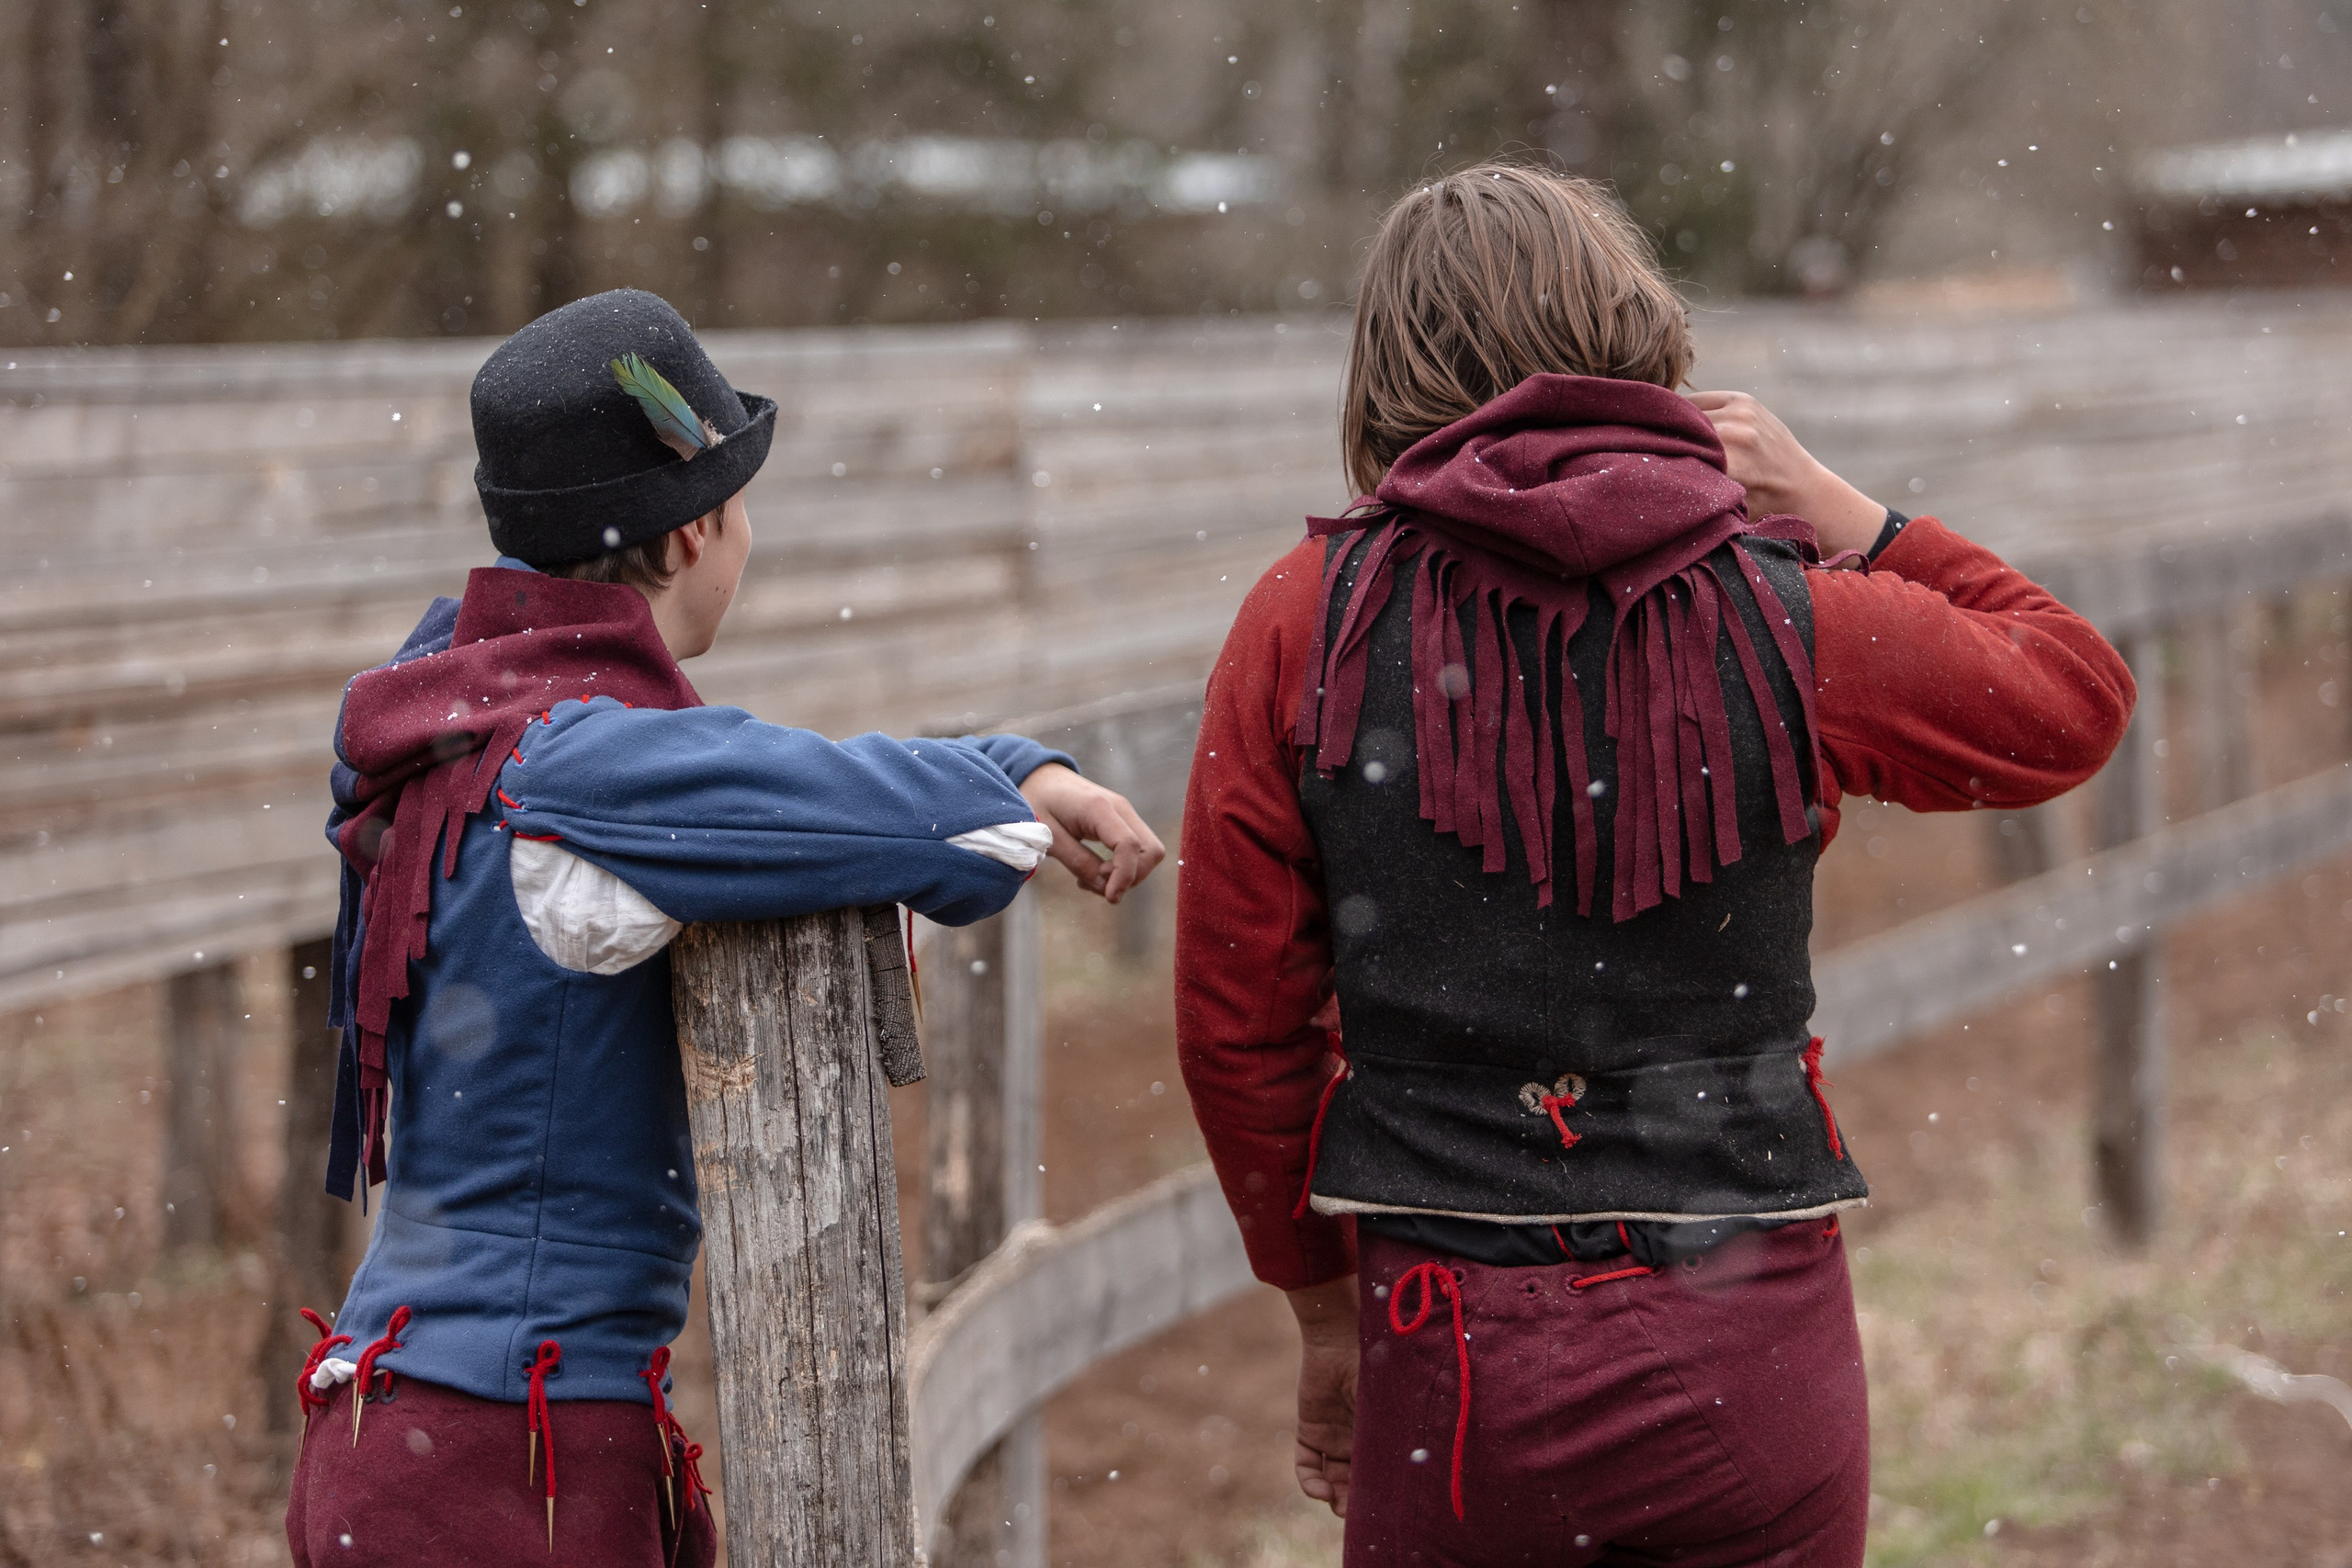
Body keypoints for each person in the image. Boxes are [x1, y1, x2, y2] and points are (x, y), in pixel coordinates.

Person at [1174, 164, 2134, 1566]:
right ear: (1635, 338)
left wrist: (1322, 1313)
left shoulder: (1304, 621)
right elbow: (2075, 697)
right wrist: (1853, 513)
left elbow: (1236, 1022)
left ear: (1391, 371)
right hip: (1752, 1339)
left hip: (1458, 1360)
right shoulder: (1790, 611)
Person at [285, 288, 1162, 1567]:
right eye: (739, 505)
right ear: (694, 528)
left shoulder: (457, 718)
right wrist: (1014, 780)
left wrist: (1000, 768)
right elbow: (903, 824)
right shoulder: (581, 769)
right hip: (510, 1462)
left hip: (405, 1430)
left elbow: (789, 783)